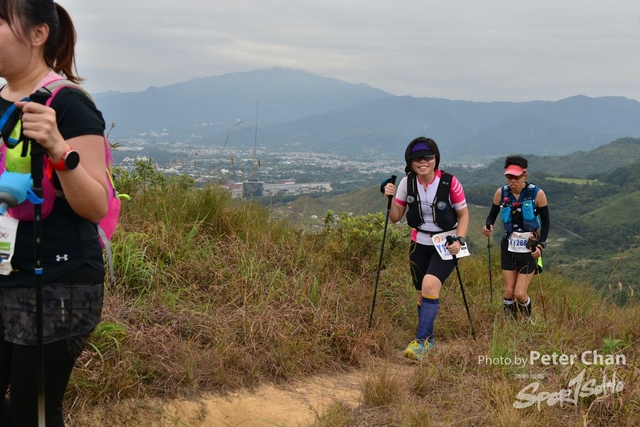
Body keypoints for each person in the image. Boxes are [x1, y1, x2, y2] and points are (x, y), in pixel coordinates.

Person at [0, 1, 109, 425]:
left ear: (38, 33)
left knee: (34, 413)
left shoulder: (67, 104)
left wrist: (59, 149)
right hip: (7, 271)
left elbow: (95, 204)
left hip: (57, 282)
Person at [383, 137, 469, 360]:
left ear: (435, 159)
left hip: (446, 244)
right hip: (418, 244)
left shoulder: (450, 182)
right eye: (416, 158)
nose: (422, 162)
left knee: (430, 284)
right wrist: (389, 197)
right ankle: (429, 340)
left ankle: (420, 342)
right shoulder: (407, 183)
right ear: (410, 162)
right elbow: (395, 217)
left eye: (427, 157)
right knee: (422, 295)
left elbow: (463, 215)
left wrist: (459, 240)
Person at [481, 155, 549, 320]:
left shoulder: (537, 194)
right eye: (509, 176)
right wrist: (488, 226)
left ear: (525, 175)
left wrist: (540, 245)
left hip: (529, 246)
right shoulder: (501, 193)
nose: (512, 180)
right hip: (509, 245)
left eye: (516, 177)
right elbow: (492, 216)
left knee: (520, 293)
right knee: (508, 292)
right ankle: (511, 324)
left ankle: (526, 322)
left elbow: (546, 223)